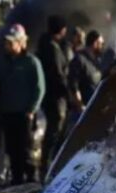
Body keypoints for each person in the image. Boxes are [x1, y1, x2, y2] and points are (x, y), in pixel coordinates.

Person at [0, 24, 44, 185]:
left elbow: (39, 88)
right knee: (12, 151)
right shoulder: (3, 62)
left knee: (26, 151)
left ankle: (31, 182)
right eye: (6, 42)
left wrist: (31, 110)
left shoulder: (31, 62)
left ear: (20, 43)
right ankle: (16, 181)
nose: (7, 46)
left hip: (24, 114)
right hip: (7, 113)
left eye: (11, 42)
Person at [36, 15, 68, 181]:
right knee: (54, 134)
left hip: (52, 96)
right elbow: (58, 74)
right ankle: (47, 168)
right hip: (55, 98)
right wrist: (68, 92)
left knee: (54, 133)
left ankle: (48, 166)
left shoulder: (47, 45)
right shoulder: (52, 48)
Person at [68, 29, 104, 111]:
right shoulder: (79, 60)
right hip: (82, 111)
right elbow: (73, 84)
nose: (102, 46)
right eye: (101, 43)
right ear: (95, 43)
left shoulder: (97, 61)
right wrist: (80, 105)